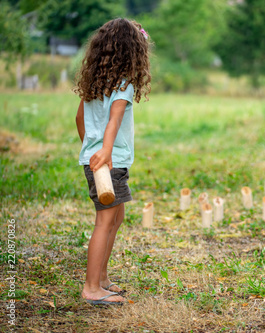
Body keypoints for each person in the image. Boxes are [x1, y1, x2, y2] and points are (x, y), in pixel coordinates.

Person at [74, 18, 151, 305]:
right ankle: (92, 287)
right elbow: (114, 121)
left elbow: (80, 118)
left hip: (98, 159)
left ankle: (102, 279)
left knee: (116, 217)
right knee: (105, 222)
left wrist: (89, 148)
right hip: (109, 162)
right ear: (133, 52)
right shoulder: (123, 84)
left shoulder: (93, 81)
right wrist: (104, 152)